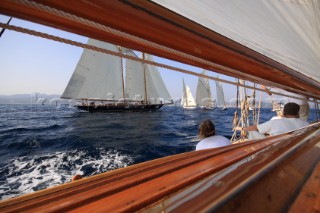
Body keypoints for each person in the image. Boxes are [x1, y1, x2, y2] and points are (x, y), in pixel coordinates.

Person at [235, 102, 309, 140]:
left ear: (283, 112)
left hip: (276, 148)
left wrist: (241, 128)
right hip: (295, 147)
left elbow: (256, 128)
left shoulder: (275, 122)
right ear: (297, 113)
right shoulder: (306, 124)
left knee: (253, 132)